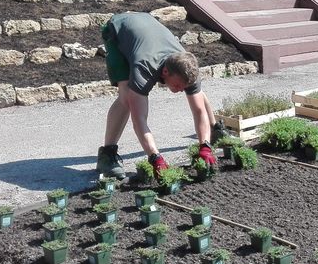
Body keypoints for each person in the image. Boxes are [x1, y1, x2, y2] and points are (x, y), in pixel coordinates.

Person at [96, 12, 224, 179]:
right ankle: (107, 154)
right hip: (118, 30)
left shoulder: (187, 66)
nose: (179, 90)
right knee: (126, 96)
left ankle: (214, 131)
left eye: (183, 87)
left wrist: (204, 146)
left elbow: (199, 110)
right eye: (177, 85)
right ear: (165, 71)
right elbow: (139, 120)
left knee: (196, 93)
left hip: (147, 25)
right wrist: (155, 157)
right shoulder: (144, 69)